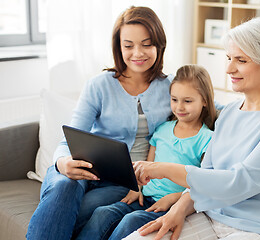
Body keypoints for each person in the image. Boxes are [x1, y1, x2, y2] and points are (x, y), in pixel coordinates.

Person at [129, 17, 260, 240]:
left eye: (241, 60)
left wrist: (163, 168)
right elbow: (208, 173)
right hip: (211, 215)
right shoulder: (230, 112)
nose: (228, 68)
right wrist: (180, 208)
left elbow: (239, 182)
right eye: (228, 58)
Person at [27, 6, 173, 240]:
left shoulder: (172, 87)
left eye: (147, 44)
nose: (138, 53)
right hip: (79, 169)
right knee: (65, 185)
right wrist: (62, 163)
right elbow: (70, 138)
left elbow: (209, 105)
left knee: (80, 214)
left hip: (119, 182)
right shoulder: (99, 85)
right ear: (119, 47)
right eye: (128, 45)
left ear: (159, 44)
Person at [75, 64, 216, 240]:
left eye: (187, 101)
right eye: (174, 99)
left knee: (131, 220)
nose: (179, 107)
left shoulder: (207, 139)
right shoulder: (162, 129)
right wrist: (138, 187)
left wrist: (174, 198)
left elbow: (205, 182)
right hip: (144, 197)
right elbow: (147, 167)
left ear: (204, 100)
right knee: (103, 213)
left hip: (171, 205)